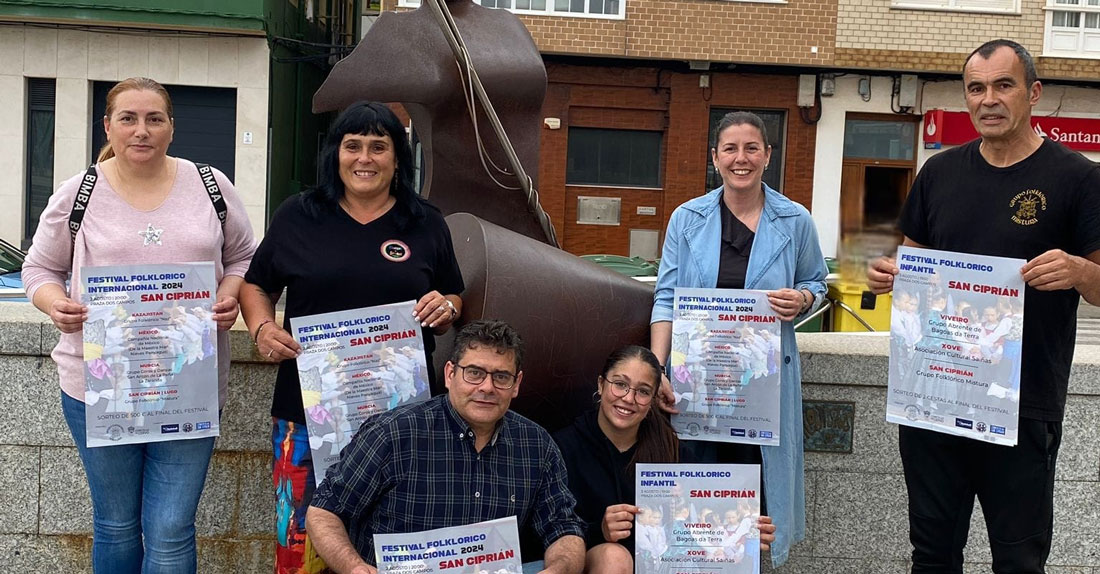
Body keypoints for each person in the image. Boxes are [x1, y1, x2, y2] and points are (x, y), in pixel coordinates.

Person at [866, 39, 1100, 574]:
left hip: (1020, 407)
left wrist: (1080, 272)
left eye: (1003, 85)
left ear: (1033, 93)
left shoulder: (1079, 179)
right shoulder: (940, 173)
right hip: (933, 398)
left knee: (1018, 561)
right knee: (932, 556)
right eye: (976, 88)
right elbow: (913, 261)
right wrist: (891, 275)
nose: (988, 99)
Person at [21, 76, 256, 573]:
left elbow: (243, 257)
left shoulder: (211, 186)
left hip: (187, 386)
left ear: (172, 127)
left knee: (171, 530)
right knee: (116, 524)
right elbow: (38, 268)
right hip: (99, 389)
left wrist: (229, 294)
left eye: (154, 119)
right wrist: (53, 302)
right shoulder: (79, 192)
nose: (141, 130)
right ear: (108, 126)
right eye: (128, 118)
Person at [239, 101, 465, 573]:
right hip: (306, 413)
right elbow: (256, 284)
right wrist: (262, 327)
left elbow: (454, 296)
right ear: (336, 154)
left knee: (395, 547)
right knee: (301, 549)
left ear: (398, 158)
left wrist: (445, 308)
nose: (365, 158)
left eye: (379, 146)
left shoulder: (425, 222)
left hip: (403, 422)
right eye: (353, 145)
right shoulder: (299, 215)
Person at [649, 111, 828, 567]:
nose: (741, 158)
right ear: (715, 157)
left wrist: (803, 298)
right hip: (698, 388)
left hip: (760, 390)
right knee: (698, 494)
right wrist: (657, 369)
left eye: (752, 148)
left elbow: (818, 282)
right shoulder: (686, 220)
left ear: (768, 156)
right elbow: (666, 298)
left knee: (756, 503)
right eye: (730, 148)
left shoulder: (795, 221)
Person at [304, 320, 586, 574]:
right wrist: (355, 568)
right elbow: (324, 511)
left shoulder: (536, 445)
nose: (487, 387)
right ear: (450, 374)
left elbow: (563, 528)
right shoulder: (393, 433)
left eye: (501, 376)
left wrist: (559, 569)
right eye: (474, 373)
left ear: (516, 384)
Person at [552, 345, 776, 574]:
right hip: (599, 562)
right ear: (601, 384)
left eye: (643, 391)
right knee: (612, 557)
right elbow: (550, 529)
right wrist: (600, 530)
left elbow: (711, 506)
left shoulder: (668, 447)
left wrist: (746, 529)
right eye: (620, 384)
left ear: (652, 399)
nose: (629, 398)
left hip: (663, 566)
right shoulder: (563, 448)